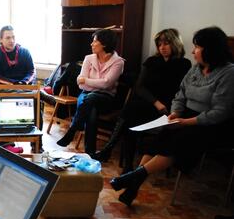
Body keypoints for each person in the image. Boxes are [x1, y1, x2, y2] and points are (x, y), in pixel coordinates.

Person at [110, 26, 234, 207]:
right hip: (186, 117)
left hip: (212, 125)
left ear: (211, 49)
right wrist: (176, 113)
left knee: (177, 143)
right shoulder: (195, 69)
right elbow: (180, 95)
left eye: (197, 47)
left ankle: (134, 178)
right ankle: (133, 185)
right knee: (161, 138)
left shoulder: (228, 73)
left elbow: (220, 112)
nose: (193, 51)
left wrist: (186, 122)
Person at [94, 29, 192, 171]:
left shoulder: (184, 64)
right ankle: (126, 165)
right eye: (159, 44)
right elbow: (139, 87)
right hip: (149, 104)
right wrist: (156, 102)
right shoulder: (151, 61)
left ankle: (109, 152)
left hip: (167, 108)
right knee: (130, 117)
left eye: (166, 43)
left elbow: (180, 91)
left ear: (175, 44)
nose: (162, 47)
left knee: (130, 115)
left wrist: (163, 105)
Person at [57, 29, 124, 156]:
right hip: (87, 95)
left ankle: (73, 130)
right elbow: (80, 82)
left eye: (94, 41)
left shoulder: (118, 62)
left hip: (106, 98)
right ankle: (90, 153)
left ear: (104, 44)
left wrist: (88, 81)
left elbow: (107, 83)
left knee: (91, 99)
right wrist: (95, 83)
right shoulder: (88, 58)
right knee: (91, 111)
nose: (91, 44)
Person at [0, 25, 45, 152]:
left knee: (37, 104)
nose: (11, 40)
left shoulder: (25, 52)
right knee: (34, 95)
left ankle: (37, 143)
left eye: (13, 37)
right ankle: (8, 144)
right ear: (1, 40)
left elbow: (32, 71)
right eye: (8, 37)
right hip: (6, 89)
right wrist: (14, 85)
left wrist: (24, 83)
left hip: (24, 87)